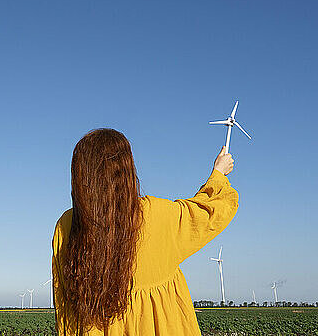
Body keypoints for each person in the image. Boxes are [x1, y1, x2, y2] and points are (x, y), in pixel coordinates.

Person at [52, 128, 239, 335]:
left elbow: (64, 305)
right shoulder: (157, 215)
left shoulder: (67, 225)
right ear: (126, 171)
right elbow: (207, 211)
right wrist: (218, 175)